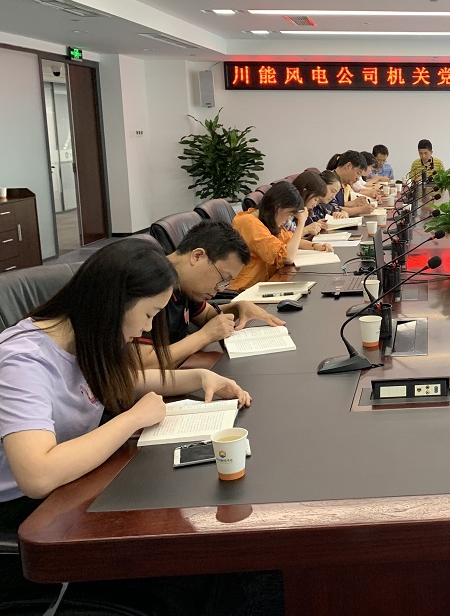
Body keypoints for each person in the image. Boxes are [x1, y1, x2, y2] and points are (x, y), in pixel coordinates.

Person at [0, 238, 251, 555]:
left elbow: (116, 381)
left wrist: (198, 376)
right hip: (25, 506)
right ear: (115, 304)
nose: (147, 327)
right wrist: (132, 418)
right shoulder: (24, 360)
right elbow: (37, 476)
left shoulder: (83, 338)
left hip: (76, 478)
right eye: (148, 314)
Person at [136, 221, 285, 367]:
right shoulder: (148, 283)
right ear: (197, 256)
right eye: (222, 278)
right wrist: (204, 336)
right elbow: (143, 363)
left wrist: (238, 307)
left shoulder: (185, 283)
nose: (220, 289)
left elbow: (206, 316)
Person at [230, 181, 329, 291]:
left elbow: (288, 240)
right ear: (278, 206)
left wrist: (315, 246)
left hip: (263, 285)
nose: (288, 219)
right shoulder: (249, 223)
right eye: (290, 214)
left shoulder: (264, 219)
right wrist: (301, 223)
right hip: (245, 291)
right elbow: (287, 257)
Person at [327, 151, 374, 217]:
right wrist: (361, 210)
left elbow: (338, 206)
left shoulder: (340, 182)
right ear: (348, 166)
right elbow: (333, 210)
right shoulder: (329, 182)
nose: (357, 179)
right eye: (357, 173)